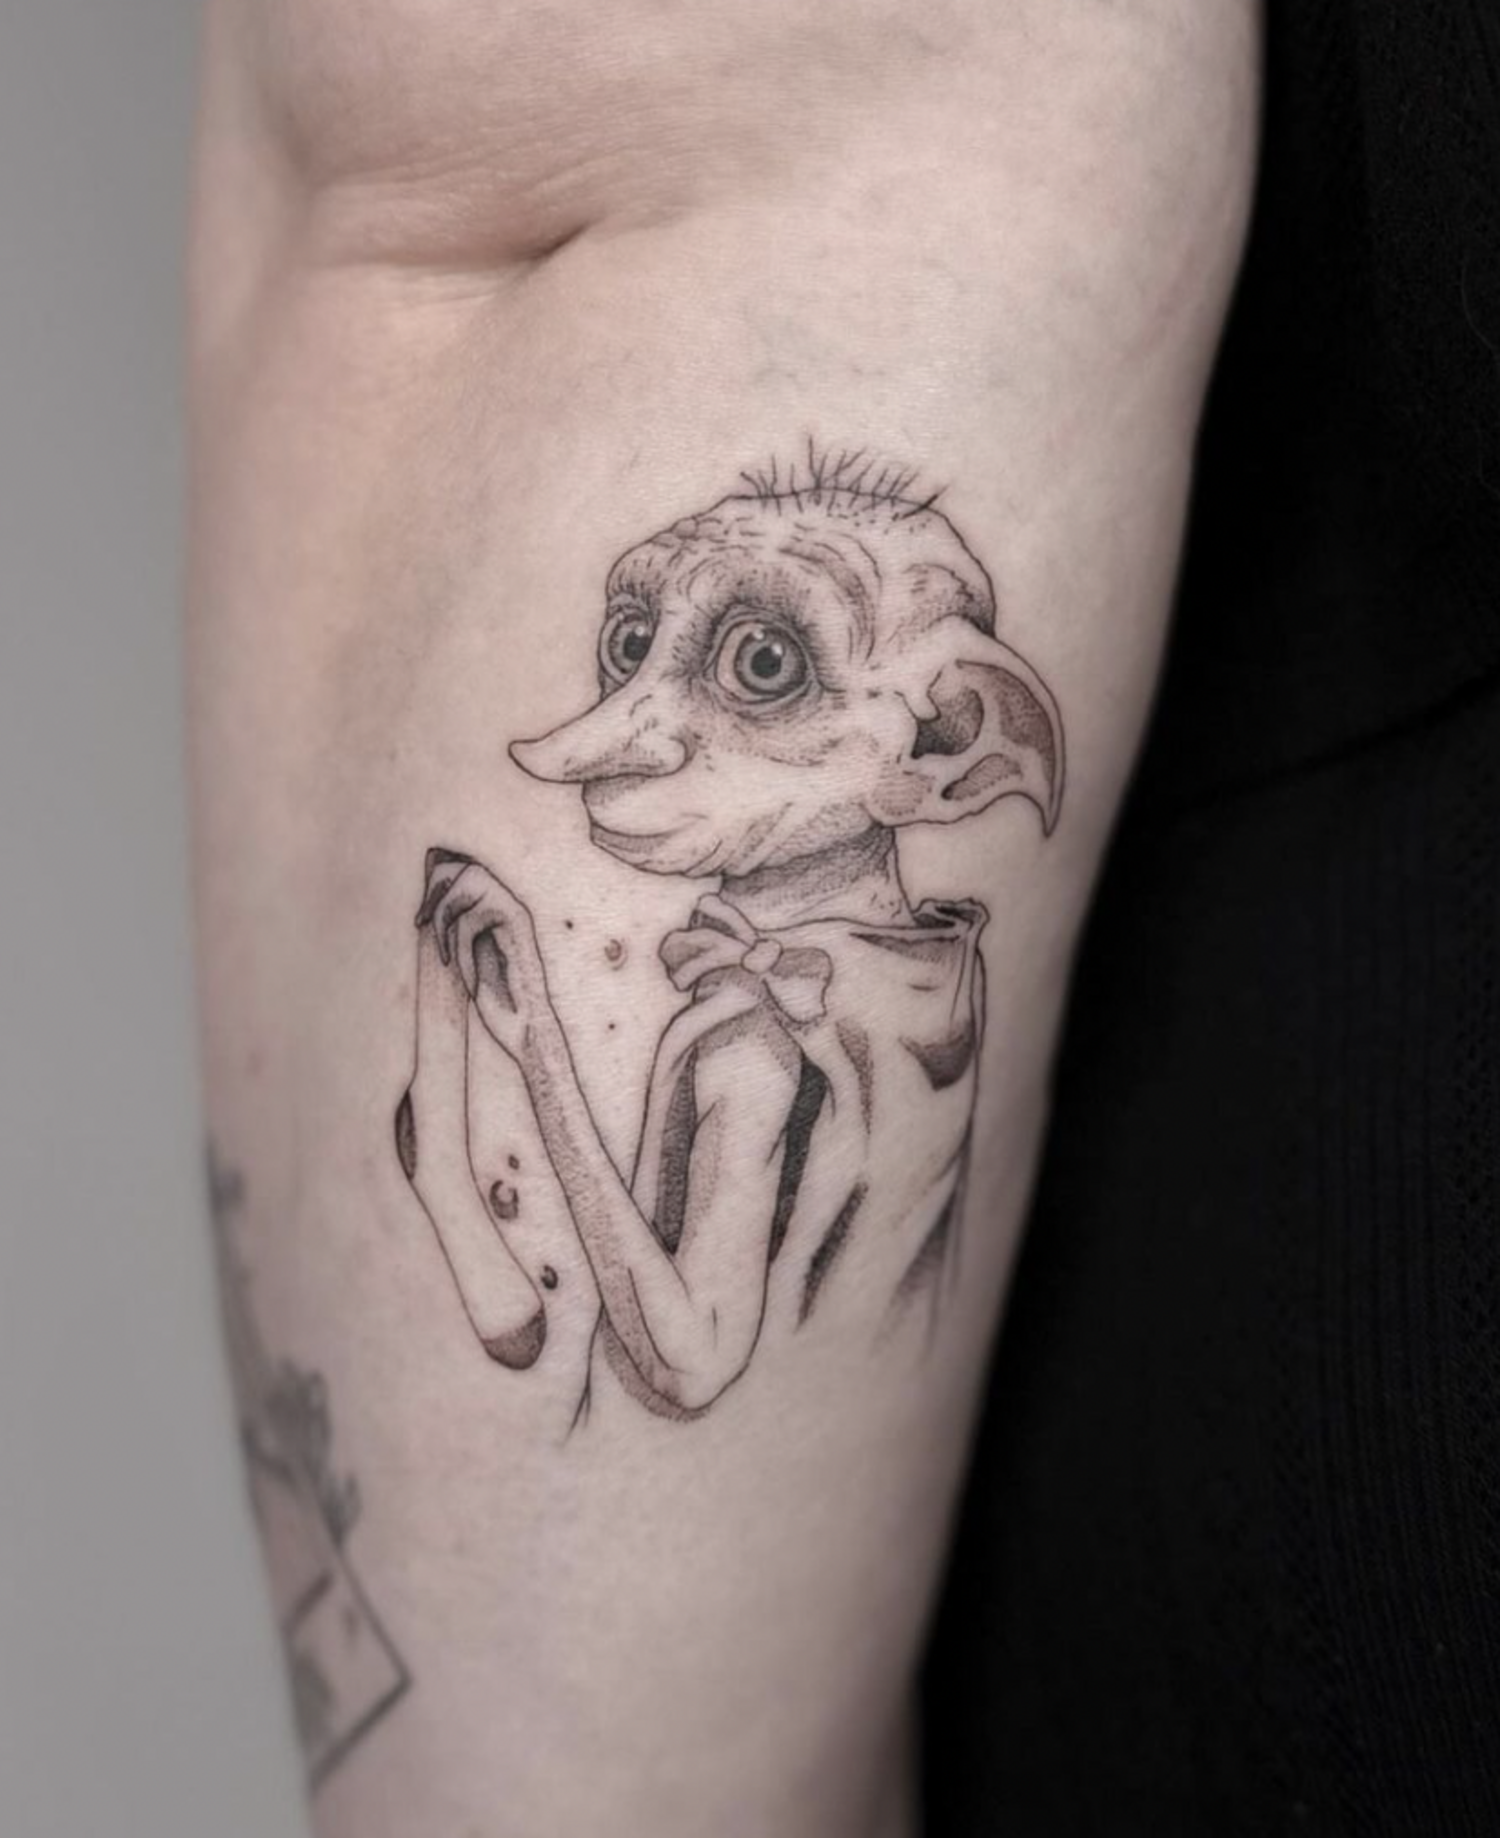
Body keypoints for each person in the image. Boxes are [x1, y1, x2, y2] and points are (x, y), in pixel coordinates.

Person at [188, 1, 1500, 1830]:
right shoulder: (906, 980)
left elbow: (677, 1355)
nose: (620, 726)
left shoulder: (759, 1043)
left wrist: (537, 1034)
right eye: (638, 639)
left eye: (758, 663)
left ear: (946, 746)